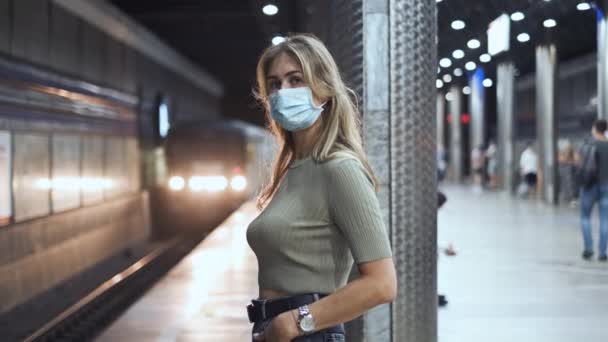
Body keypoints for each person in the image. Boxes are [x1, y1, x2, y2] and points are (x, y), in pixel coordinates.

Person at [246, 34, 397, 342]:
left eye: (295, 80)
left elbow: (382, 284)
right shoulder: (295, 168)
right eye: (274, 84)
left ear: (324, 90)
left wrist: (292, 323)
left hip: (306, 333)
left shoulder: (339, 169)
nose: (282, 92)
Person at [578, 120, 608, 261]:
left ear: (595, 129)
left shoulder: (587, 144)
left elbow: (580, 163)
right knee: (605, 219)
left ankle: (589, 249)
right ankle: (602, 253)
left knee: (585, 217)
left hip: (589, 185)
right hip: (606, 186)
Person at [558, 139, 577, 205]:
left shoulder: (572, 152)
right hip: (564, 170)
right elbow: (561, 159)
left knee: (570, 183)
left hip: (570, 170)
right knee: (565, 183)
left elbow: (576, 161)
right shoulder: (562, 153)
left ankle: (571, 197)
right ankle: (567, 197)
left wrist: (569, 162)